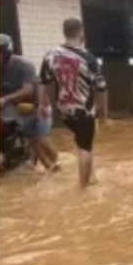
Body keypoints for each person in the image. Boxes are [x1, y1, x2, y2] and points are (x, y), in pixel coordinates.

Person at [38, 18, 108, 188]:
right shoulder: (88, 58)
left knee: (85, 141)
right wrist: (103, 111)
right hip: (83, 110)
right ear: (81, 32)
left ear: (64, 32)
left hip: (63, 110)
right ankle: (83, 187)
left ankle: (92, 176)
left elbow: (43, 81)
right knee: (85, 146)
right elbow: (101, 87)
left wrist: (42, 105)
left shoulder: (50, 55)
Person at [0, 33, 58, 171]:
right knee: (31, 137)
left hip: (38, 105)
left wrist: (5, 99)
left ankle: (56, 162)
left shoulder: (24, 65)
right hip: (17, 108)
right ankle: (50, 168)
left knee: (37, 137)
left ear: (6, 52)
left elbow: (28, 91)